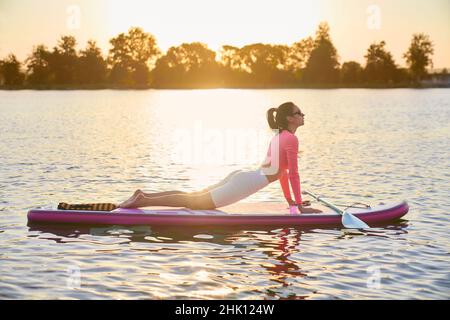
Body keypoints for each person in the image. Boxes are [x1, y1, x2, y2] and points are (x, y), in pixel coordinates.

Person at [118, 102, 322, 213]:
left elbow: (283, 174)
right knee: (194, 203)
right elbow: (292, 174)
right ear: (290, 118)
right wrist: (300, 208)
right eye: (299, 112)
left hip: (244, 176)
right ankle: (143, 200)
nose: (303, 115)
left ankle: (145, 195)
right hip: (245, 183)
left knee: (194, 196)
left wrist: (292, 201)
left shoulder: (279, 137)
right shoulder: (291, 139)